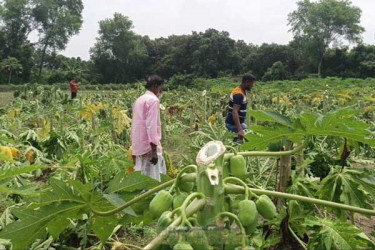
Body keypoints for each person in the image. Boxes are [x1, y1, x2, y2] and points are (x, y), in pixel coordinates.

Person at [131, 75, 166, 182]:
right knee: (153, 179)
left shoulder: (139, 99)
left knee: (141, 178)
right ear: (156, 86)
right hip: (149, 148)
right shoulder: (153, 100)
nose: (161, 91)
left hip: (138, 145)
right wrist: (154, 150)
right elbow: (151, 126)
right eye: (161, 87)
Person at [225, 74, 256, 141]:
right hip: (233, 124)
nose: (252, 85)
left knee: (247, 135)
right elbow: (234, 112)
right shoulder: (239, 95)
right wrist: (240, 130)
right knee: (239, 143)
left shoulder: (240, 90)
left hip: (237, 123)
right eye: (252, 83)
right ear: (247, 82)